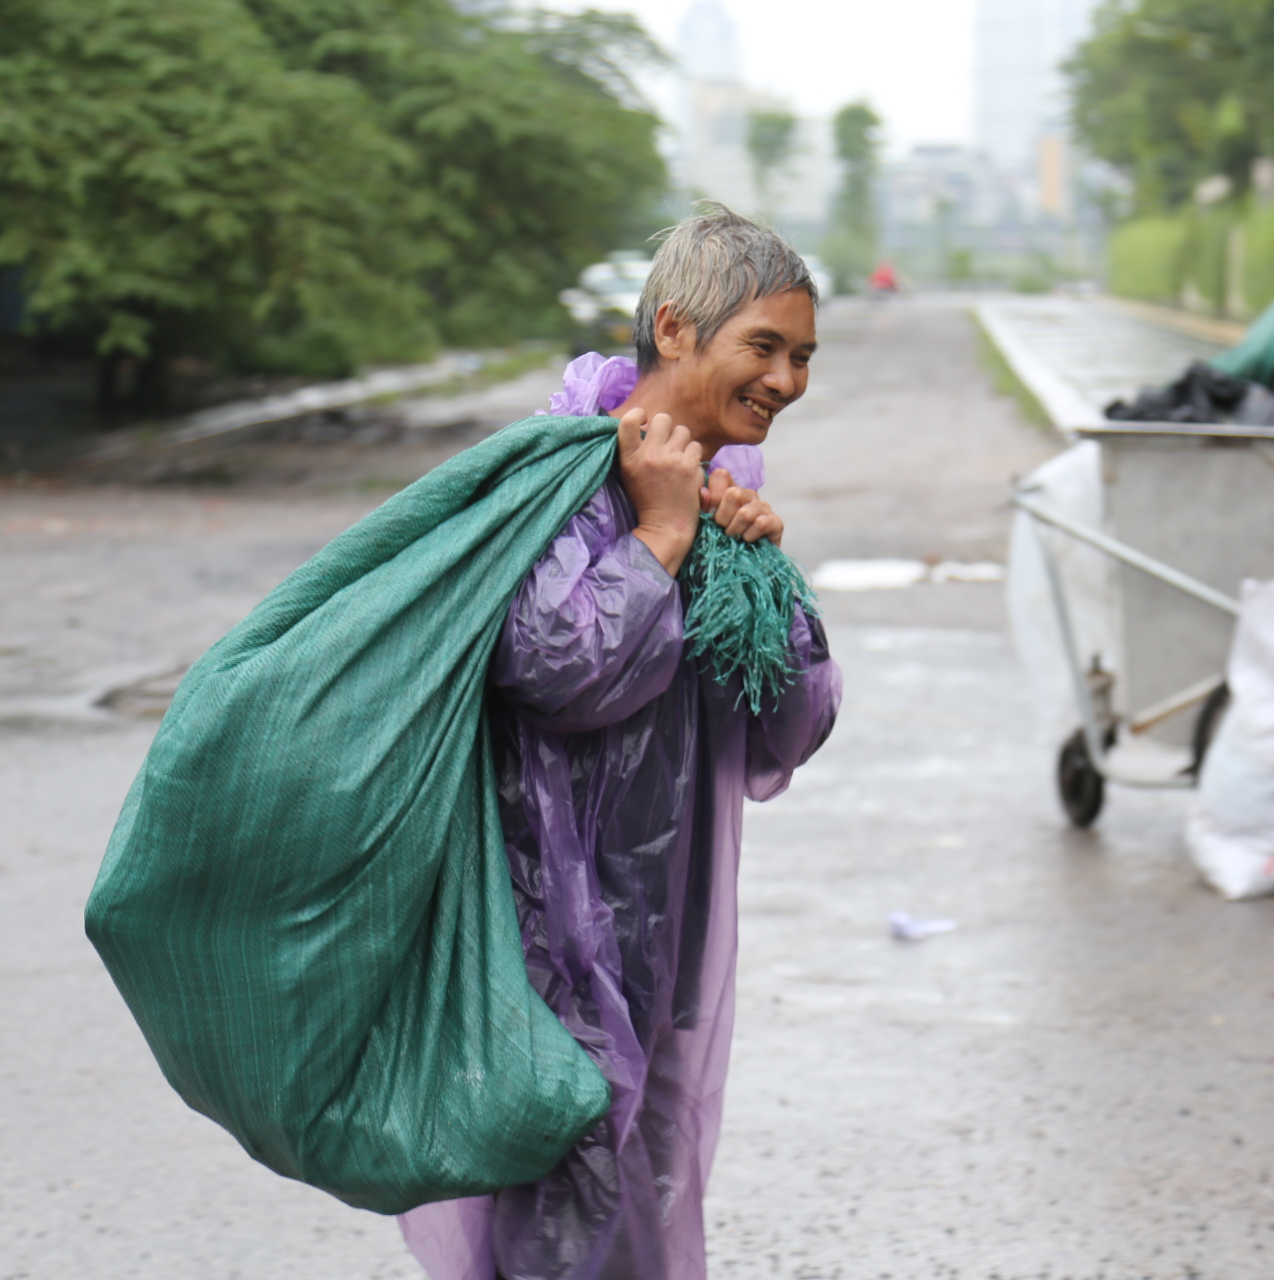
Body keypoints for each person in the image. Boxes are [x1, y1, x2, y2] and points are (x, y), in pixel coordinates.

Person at [397, 207, 841, 1280]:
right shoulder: (561, 479)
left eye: (804, 356)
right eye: (765, 347)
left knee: (643, 1182)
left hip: (666, 927)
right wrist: (659, 535)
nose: (787, 379)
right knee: (568, 1192)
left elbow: (792, 723)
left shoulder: (724, 487)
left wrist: (772, 586)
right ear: (678, 329)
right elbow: (558, 671)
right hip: (556, 926)